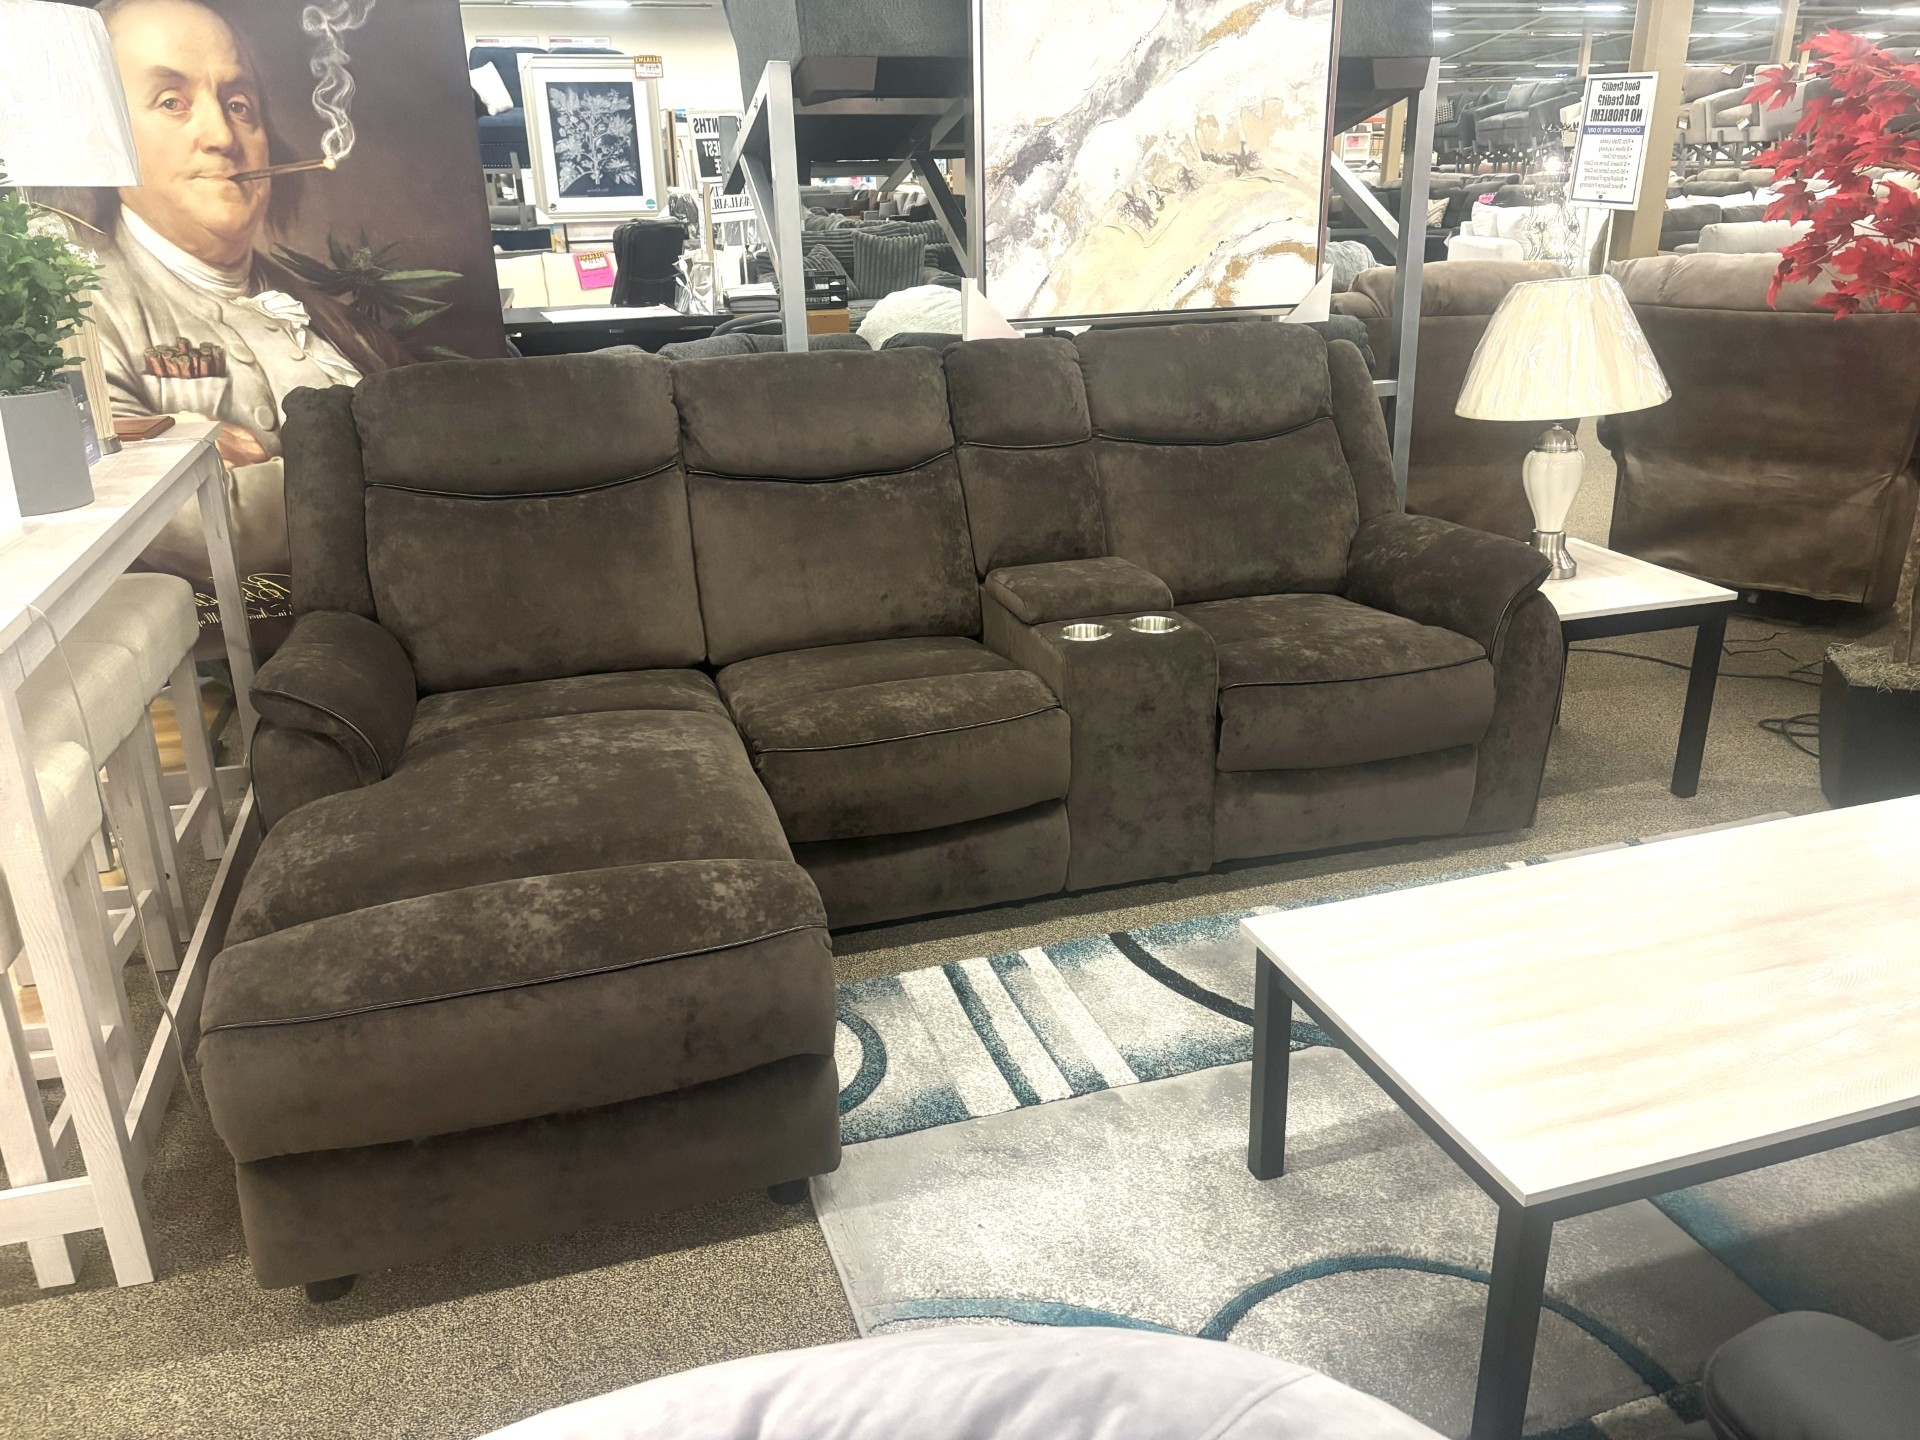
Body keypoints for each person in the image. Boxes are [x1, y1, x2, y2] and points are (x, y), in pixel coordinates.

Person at [77, 0, 405, 469]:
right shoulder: (80, 322)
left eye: (238, 106)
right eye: (171, 102)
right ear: (103, 136)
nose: (223, 137)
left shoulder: (348, 329)